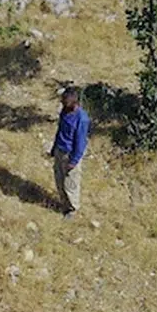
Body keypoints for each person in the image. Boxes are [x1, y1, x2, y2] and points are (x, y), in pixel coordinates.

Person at [49, 86, 91, 219]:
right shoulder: (64, 111)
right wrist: (54, 148)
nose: (63, 105)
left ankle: (72, 209)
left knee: (71, 183)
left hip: (70, 154)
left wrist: (73, 161)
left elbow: (80, 142)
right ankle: (64, 204)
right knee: (59, 180)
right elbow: (60, 131)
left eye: (65, 103)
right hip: (60, 151)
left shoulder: (81, 119)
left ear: (75, 103)